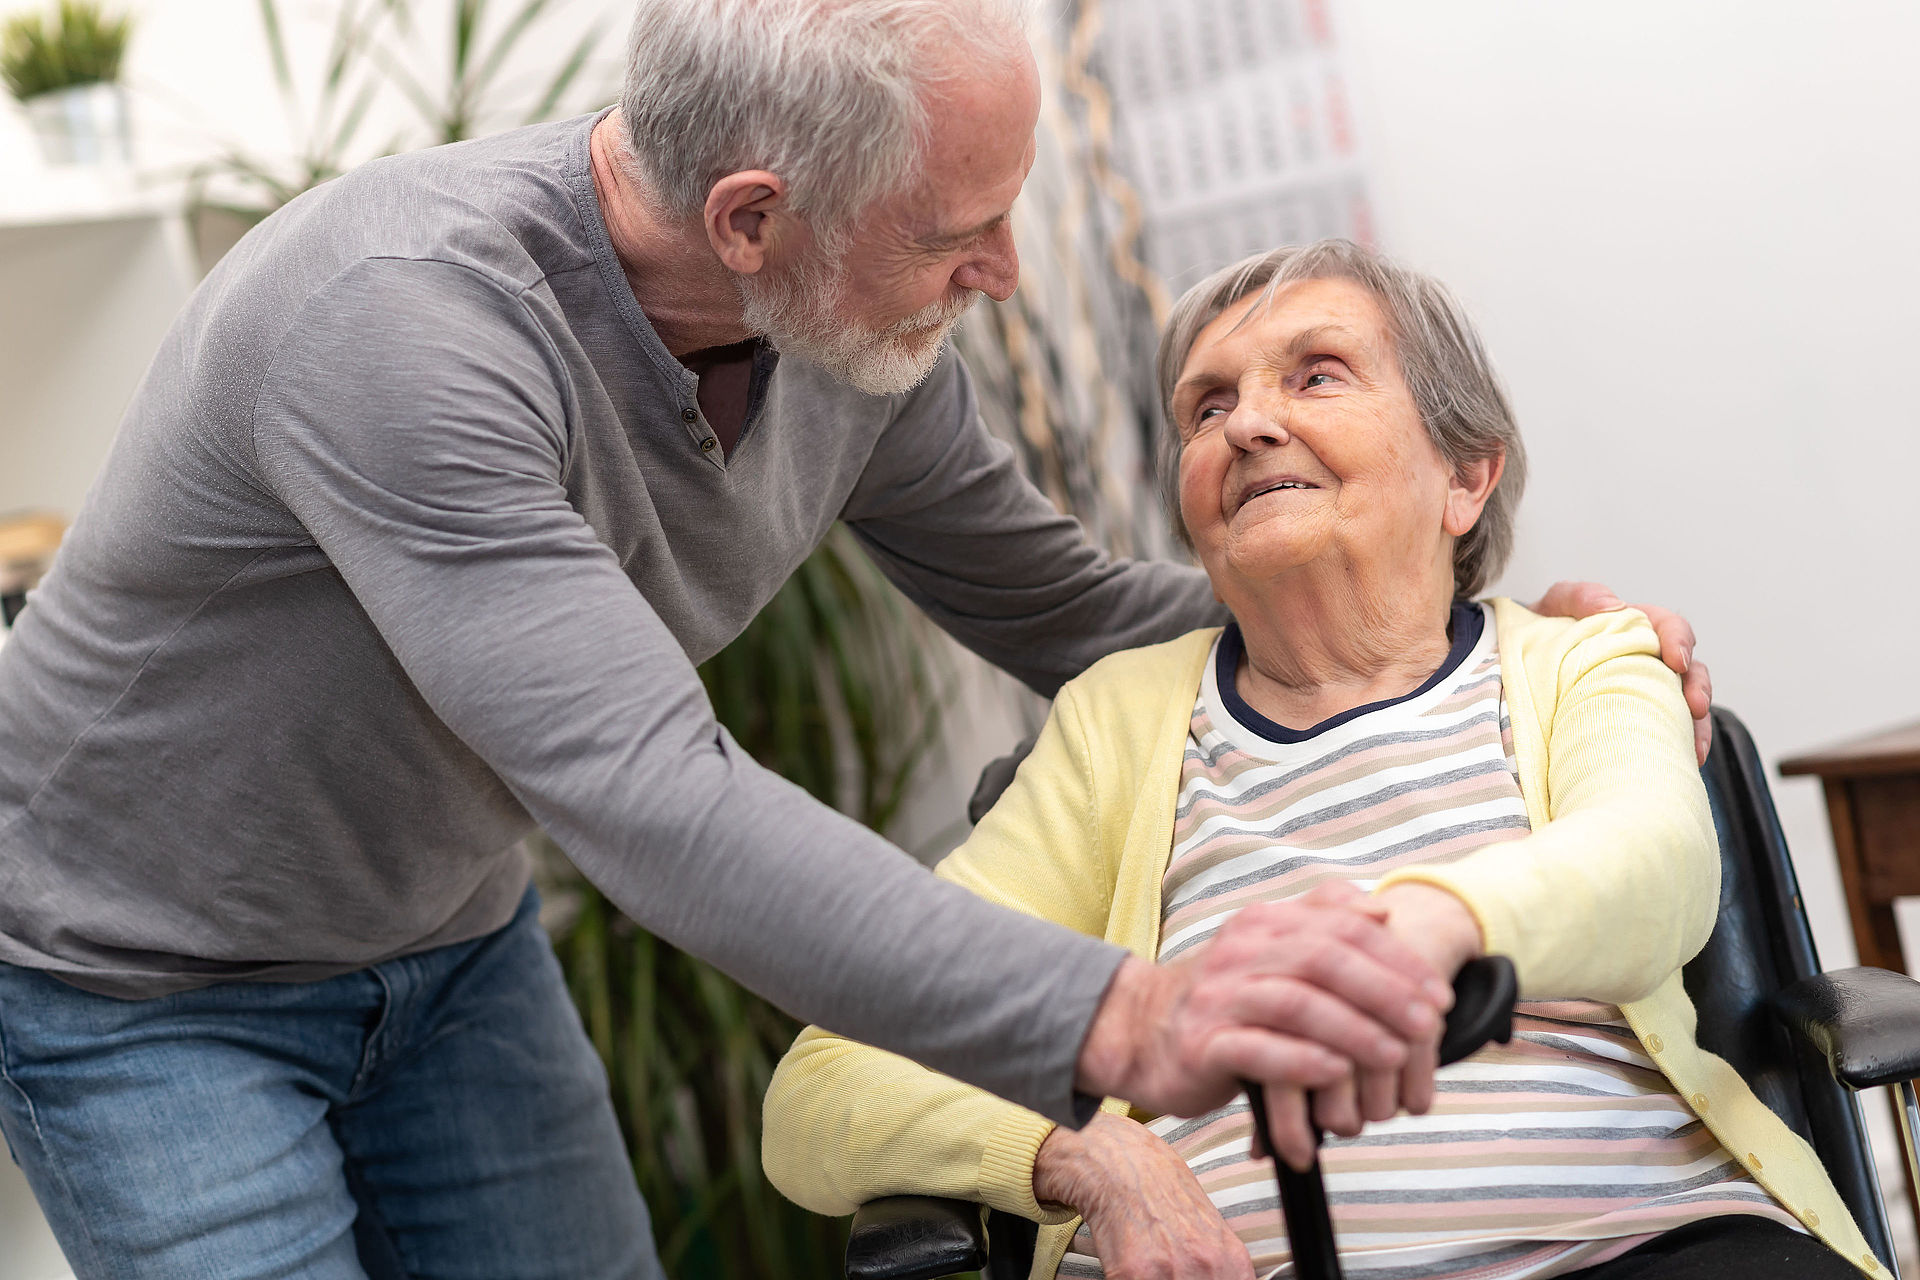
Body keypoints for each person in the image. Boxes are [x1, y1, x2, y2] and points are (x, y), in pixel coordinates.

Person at [0, 4, 1705, 1278]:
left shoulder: (844, 324)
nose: (1008, 272)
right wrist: (1122, 1028)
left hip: (446, 942)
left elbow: (1064, 608)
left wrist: (1448, 619)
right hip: (139, 979)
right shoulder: (395, 327)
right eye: (957, 230)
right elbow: (652, 793)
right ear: (753, 222)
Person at [762, 240, 1873, 1280]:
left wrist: (1433, 926)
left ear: (1466, 473)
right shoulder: (1117, 723)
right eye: (1207, 405)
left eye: (1317, 375)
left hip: (1639, 1244)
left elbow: (1656, 869)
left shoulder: (1585, 659)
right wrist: (1092, 1152)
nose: (1247, 424)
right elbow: (829, 1080)